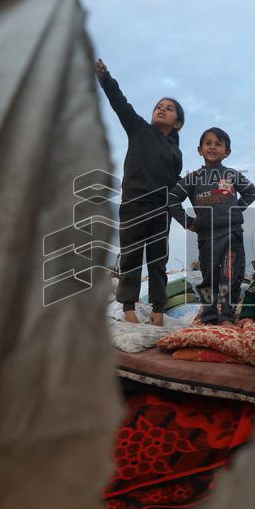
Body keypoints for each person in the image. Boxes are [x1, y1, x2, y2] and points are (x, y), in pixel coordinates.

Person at [95, 58, 183, 326]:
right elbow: (120, 104)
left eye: (168, 109)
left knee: (158, 259)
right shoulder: (139, 130)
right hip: (134, 204)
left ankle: (158, 308)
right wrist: (105, 79)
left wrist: (180, 212)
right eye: (159, 106)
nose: (161, 109)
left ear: (178, 123)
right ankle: (129, 307)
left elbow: (174, 184)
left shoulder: (176, 153)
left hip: (161, 210)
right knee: (131, 256)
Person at [168, 127, 255, 325]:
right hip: (207, 237)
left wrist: (235, 210)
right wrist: (188, 222)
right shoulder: (192, 178)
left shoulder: (231, 175)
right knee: (209, 277)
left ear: (227, 152)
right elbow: (172, 199)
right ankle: (209, 316)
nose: (213, 147)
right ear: (200, 150)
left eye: (218, 144)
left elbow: (251, 192)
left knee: (231, 276)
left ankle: (226, 316)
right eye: (208, 143)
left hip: (232, 234)